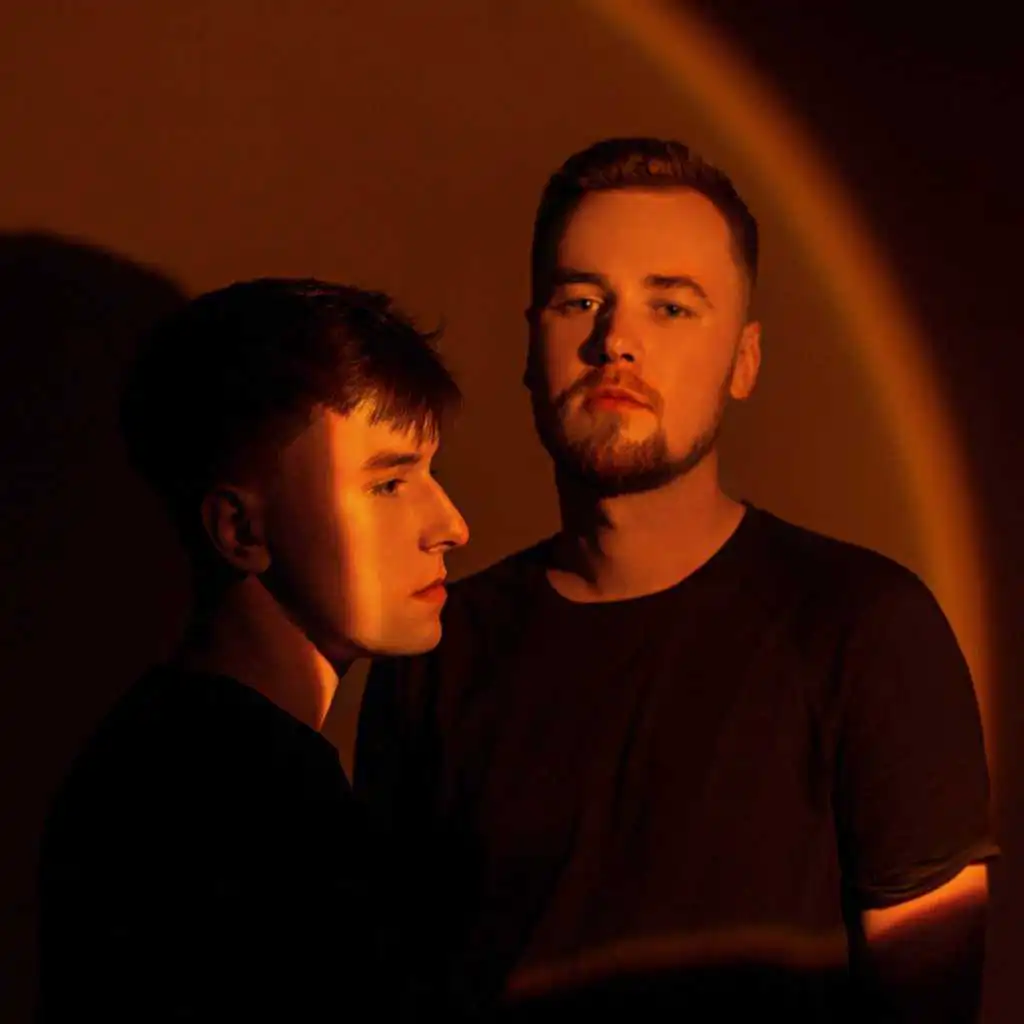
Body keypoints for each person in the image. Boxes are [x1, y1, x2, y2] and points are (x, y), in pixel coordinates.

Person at [356, 139, 998, 1021]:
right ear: (532, 344)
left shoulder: (866, 628)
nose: (616, 342)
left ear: (745, 360)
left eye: (671, 306)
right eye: (581, 300)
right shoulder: (434, 644)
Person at [35, 278, 468, 1021]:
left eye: (430, 473)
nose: (450, 525)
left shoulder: (159, 757)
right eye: (389, 484)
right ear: (239, 530)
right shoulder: (250, 809)